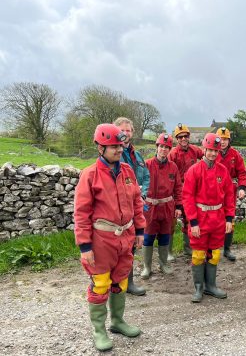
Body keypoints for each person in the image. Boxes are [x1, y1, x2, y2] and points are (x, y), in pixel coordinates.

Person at [74, 124, 146, 351]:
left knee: (121, 280)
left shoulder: (127, 171)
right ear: (100, 148)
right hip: (101, 240)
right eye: (112, 146)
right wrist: (85, 246)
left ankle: (117, 321)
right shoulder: (90, 175)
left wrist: (141, 230)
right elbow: (82, 213)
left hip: (126, 236)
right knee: (101, 284)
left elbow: (136, 202)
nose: (118, 149)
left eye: (119, 145)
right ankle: (99, 330)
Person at [182, 133, 235, 303]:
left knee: (214, 254)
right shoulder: (194, 170)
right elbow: (188, 197)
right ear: (204, 149)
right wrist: (193, 222)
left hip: (218, 218)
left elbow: (228, 196)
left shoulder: (223, 170)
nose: (212, 153)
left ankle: (210, 285)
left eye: (215, 150)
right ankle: (198, 287)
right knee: (198, 254)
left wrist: (229, 218)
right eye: (210, 150)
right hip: (200, 217)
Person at [114, 117, 150, 296]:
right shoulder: (114, 153)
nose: (126, 133)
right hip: (120, 208)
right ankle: (114, 285)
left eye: (128, 130)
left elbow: (146, 176)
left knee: (132, 245)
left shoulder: (137, 155)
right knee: (118, 247)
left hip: (137, 206)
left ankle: (128, 282)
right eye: (122, 130)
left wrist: (142, 193)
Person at [141, 133, 182, 279]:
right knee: (148, 238)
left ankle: (164, 264)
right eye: (162, 146)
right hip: (150, 208)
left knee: (165, 236)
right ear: (157, 147)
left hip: (167, 208)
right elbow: (139, 185)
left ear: (170, 149)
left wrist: (178, 207)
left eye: (167, 147)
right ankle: (147, 267)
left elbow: (178, 188)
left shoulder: (173, 167)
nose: (164, 149)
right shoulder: (147, 165)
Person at [168, 123, 203, 259]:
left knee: (190, 219)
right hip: (176, 191)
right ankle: (169, 252)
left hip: (192, 191)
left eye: (186, 136)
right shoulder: (172, 154)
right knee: (171, 222)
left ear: (189, 137)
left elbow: (207, 156)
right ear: (177, 139)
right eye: (180, 137)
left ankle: (188, 248)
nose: (183, 139)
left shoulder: (195, 150)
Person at [215, 127, 246, 261]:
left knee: (229, 219)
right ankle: (214, 248)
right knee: (214, 218)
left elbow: (242, 172)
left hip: (230, 191)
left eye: (225, 139)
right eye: (220, 139)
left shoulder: (235, 154)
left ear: (229, 140)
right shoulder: (212, 152)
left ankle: (227, 249)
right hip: (214, 189)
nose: (222, 142)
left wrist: (242, 187)